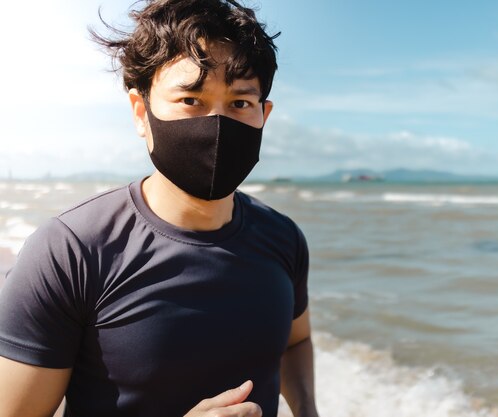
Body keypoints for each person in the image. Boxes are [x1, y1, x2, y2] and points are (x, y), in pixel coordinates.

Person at [0, 1, 319, 416]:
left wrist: (308, 409)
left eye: (240, 103)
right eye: (190, 99)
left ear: (264, 115)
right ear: (141, 112)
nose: (217, 124)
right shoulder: (71, 251)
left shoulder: (284, 238)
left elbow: (296, 340)